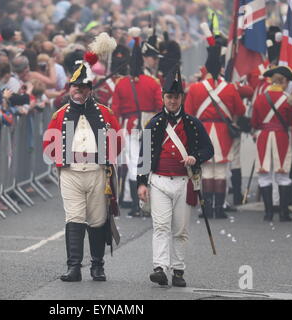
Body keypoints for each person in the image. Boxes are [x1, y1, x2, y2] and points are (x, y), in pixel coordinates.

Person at [43, 37, 122, 282]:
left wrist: (104, 159)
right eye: (75, 87)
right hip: (71, 173)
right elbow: (48, 146)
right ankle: (74, 267)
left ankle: (97, 266)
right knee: (74, 218)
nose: (78, 90)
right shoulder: (59, 115)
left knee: (98, 220)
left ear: (90, 89)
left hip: (98, 172)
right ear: (70, 88)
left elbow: (118, 142)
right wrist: (63, 160)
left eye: (83, 87)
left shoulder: (106, 114)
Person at [137, 67, 213, 287]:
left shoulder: (193, 124)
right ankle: (159, 268)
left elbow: (208, 150)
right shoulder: (154, 123)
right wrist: (142, 183)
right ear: (163, 97)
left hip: (183, 182)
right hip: (159, 181)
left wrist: (194, 157)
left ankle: (178, 270)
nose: (172, 101)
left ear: (182, 98)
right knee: (161, 226)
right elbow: (144, 156)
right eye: (169, 97)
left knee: (180, 230)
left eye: (176, 97)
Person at [185, 35, 246, 219]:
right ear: (220, 68)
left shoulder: (195, 88)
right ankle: (218, 209)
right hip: (222, 134)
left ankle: (207, 209)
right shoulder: (229, 88)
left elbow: (188, 112)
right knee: (220, 172)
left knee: (205, 172)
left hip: (202, 131)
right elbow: (241, 110)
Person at [111, 29, 163, 218]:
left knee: (134, 165)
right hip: (149, 125)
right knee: (145, 164)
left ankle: (136, 205)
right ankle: (144, 204)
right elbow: (159, 107)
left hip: (129, 126)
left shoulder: (121, 83)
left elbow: (115, 110)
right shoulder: (153, 82)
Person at [251, 66, 292, 222]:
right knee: (283, 175)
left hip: (264, 137)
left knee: (265, 176)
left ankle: (268, 213)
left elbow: (255, 122)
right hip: (281, 138)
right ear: (284, 81)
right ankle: (284, 213)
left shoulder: (260, 98)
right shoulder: (289, 99)